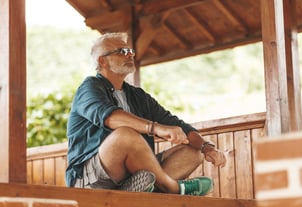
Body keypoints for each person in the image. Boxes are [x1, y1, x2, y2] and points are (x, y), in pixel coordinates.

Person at [65, 32, 226, 196]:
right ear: (102, 61)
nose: (130, 55)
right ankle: (173, 188)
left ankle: (138, 189)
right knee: (125, 135)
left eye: (131, 52)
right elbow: (110, 117)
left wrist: (207, 147)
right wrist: (154, 128)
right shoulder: (89, 87)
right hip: (89, 179)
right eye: (122, 51)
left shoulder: (138, 95)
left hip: (134, 175)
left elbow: (179, 126)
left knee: (194, 151)